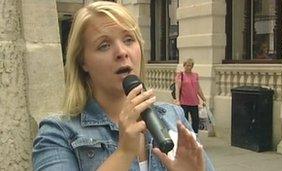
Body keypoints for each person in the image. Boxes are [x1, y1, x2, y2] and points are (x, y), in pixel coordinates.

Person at [32, 1, 215, 171]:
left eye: (128, 40)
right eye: (104, 45)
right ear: (82, 62)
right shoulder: (58, 132)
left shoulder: (173, 117)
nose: (121, 52)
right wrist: (124, 153)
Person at [175, 58, 207, 134]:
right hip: (184, 102)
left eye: (190, 66)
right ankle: (186, 135)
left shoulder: (195, 75)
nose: (189, 67)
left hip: (194, 102)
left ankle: (195, 135)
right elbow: (177, 88)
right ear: (184, 65)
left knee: (196, 120)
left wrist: (203, 98)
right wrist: (177, 100)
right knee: (185, 121)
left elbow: (198, 88)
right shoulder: (181, 75)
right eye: (187, 65)